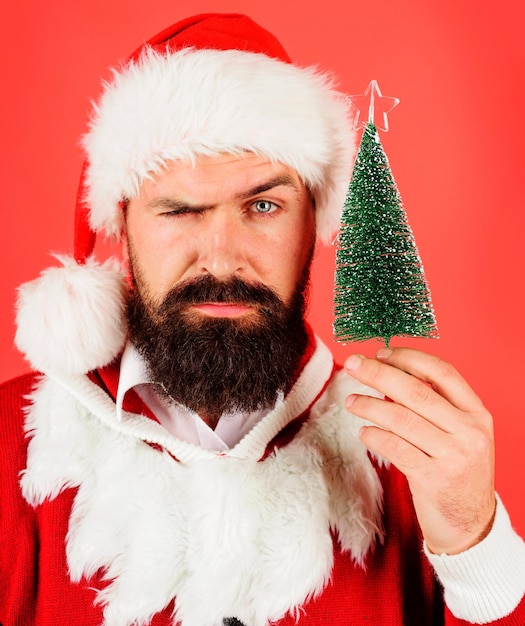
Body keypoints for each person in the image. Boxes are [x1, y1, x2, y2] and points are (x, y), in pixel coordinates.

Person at [1, 12, 524, 626]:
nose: (222, 256)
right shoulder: (15, 443)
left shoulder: (414, 458)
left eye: (265, 205)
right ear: (123, 225)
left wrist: (473, 541)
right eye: (179, 210)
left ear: (313, 226)